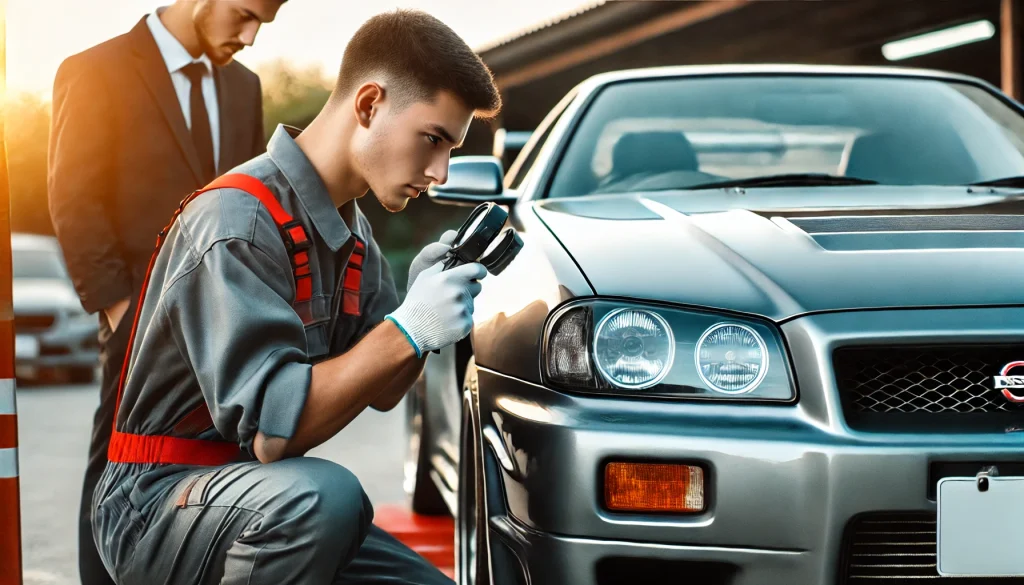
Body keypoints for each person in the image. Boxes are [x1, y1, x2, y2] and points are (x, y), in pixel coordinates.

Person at [90, 8, 502, 585]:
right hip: (155, 503)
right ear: (368, 105)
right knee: (323, 499)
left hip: (254, 499)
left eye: (450, 149)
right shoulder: (240, 219)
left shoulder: (352, 235)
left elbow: (383, 393)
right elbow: (274, 434)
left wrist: (419, 318)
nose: (439, 171)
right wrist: (409, 328)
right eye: (432, 139)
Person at [46, 2, 284, 584]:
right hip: (138, 321)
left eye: (263, 24)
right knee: (117, 466)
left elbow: (252, 200)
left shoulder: (243, 87)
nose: (250, 37)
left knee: (222, 463)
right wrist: (121, 313)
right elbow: (75, 201)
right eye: (246, 14)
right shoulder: (94, 70)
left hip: (228, 317)